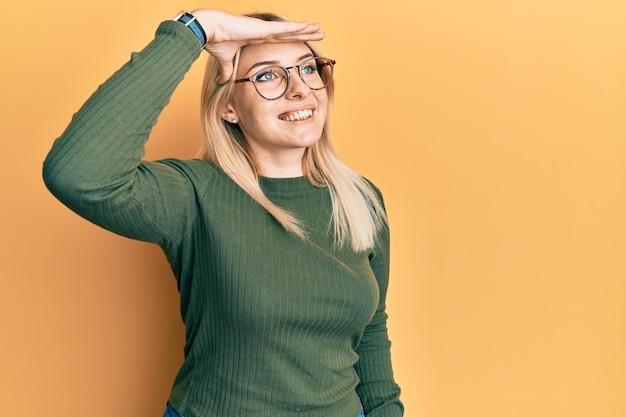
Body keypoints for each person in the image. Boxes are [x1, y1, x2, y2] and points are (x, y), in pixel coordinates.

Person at [43, 8, 403, 417]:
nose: (300, 89)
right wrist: (194, 31)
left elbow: (372, 331)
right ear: (228, 107)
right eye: (268, 75)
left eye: (308, 68)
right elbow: (77, 174)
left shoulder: (360, 199)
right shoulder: (194, 195)